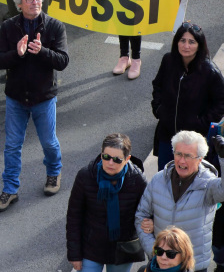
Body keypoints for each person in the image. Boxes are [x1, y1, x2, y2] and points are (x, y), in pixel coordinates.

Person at [0, 0, 69, 211]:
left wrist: (42, 51)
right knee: (12, 145)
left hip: (43, 97)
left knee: (48, 142)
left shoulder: (55, 26)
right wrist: (17, 53)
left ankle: (54, 173)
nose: (35, 2)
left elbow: (63, 60)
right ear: (19, 3)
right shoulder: (9, 27)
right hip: (16, 97)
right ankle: (10, 190)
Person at [135, 131, 224, 272]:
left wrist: (223, 160)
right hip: (161, 264)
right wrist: (157, 251)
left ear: (200, 159)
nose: (182, 161)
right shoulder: (158, 180)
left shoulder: (208, 184)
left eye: (188, 156)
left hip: (194, 266)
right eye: (178, 154)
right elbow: (141, 216)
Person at [66, 133, 148, 272]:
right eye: (106, 157)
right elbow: (74, 217)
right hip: (91, 246)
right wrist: (74, 254)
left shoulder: (137, 180)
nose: (110, 163)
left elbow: (146, 214)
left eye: (117, 159)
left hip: (122, 248)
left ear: (127, 159)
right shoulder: (85, 176)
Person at [150, 23, 224, 170]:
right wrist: (159, 109)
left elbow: (221, 102)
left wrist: (200, 123)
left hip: (192, 140)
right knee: (165, 175)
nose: (186, 46)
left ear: (199, 45)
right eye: (182, 40)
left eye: (192, 42)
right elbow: (157, 86)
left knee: (189, 178)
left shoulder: (209, 71)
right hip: (167, 134)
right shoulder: (168, 60)